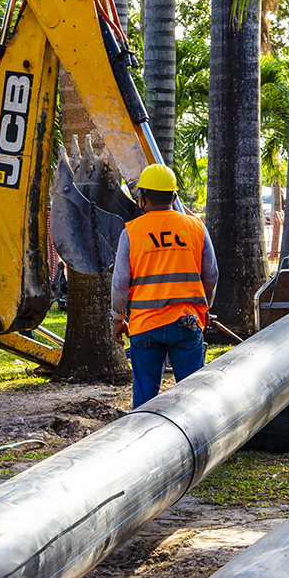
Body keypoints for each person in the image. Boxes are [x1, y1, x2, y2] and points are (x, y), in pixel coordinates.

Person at [111, 164, 218, 407]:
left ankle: (144, 440)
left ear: (142, 198)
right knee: (191, 398)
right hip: (186, 322)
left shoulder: (132, 232)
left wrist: (118, 319)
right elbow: (211, 275)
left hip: (145, 326)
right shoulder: (196, 227)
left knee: (145, 397)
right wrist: (204, 309)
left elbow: (119, 284)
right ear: (175, 196)